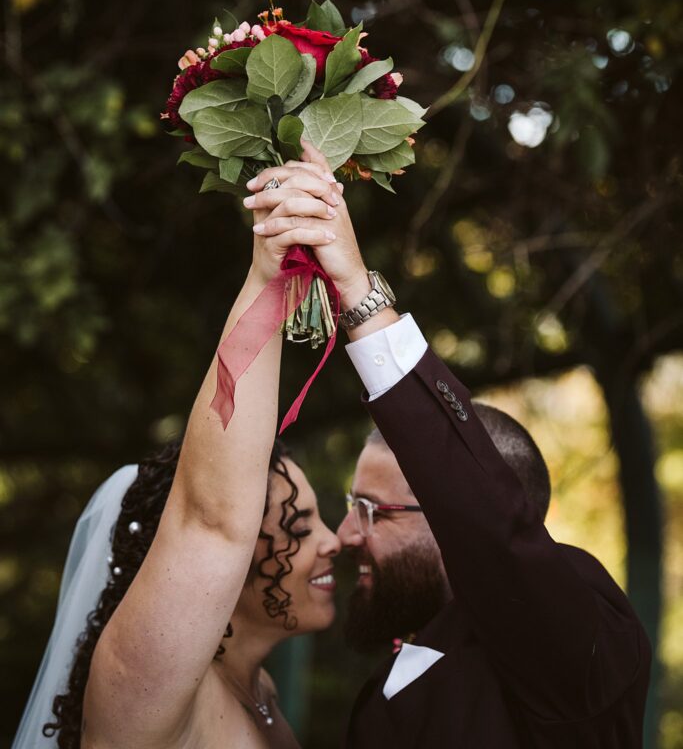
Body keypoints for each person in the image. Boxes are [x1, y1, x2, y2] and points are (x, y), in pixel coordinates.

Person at [247, 144, 652, 749]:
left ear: (454, 506)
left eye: (371, 511)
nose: (347, 535)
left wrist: (357, 289)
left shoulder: (580, 632)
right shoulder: (404, 661)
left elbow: (487, 518)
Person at [13, 154, 344, 749]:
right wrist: (271, 276)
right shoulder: (148, 692)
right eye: (299, 524)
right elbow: (211, 520)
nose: (335, 541)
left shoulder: (260, 690)